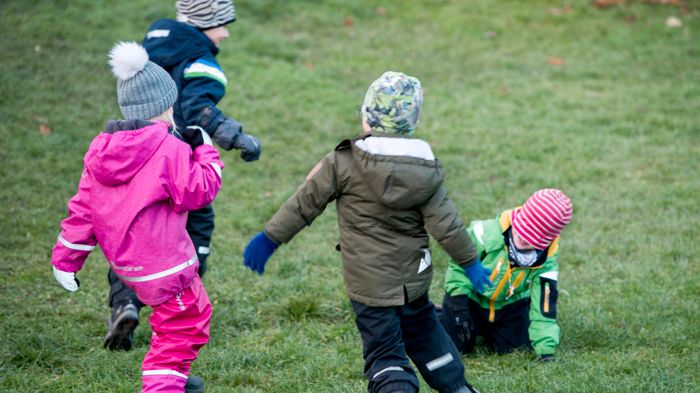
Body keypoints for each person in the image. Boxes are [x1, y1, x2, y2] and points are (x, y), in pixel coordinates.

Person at [241, 71, 488, 393]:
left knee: (385, 352)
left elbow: (304, 203)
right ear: (412, 121)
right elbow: (448, 225)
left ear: (366, 118)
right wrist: (471, 264)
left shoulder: (344, 161)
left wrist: (269, 238)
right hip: (413, 279)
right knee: (426, 333)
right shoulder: (426, 169)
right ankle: (457, 388)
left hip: (369, 284)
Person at [51, 42, 223, 392]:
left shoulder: (101, 151)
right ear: (163, 107)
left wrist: (66, 260)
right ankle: (164, 382)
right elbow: (200, 190)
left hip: (129, 266)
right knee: (185, 327)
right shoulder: (169, 148)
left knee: (193, 313)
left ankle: (173, 376)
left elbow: (82, 209)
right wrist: (205, 151)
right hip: (166, 263)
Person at [104, 0, 261, 351]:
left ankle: (124, 303)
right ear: (203, 24)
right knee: (196, 226)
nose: (226, 32)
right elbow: (197, 110)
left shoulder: (149, 51)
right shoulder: (200, 60)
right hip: (179, 163)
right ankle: (178, 309)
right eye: (222, 24)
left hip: (136, 157)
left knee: (133, 232)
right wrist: (237, 137)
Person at [437, 189, 572, 362]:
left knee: (516, 345)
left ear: (545, 242)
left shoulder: (546, 263)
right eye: (521, 232)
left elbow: (544, 308)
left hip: (509, 305)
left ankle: (493, 330)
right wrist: (458, 305)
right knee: (457, 344)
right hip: (471, 300)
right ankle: (436, 314)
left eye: (531, 239)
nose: (522, 239)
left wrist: (546, 350)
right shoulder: (483, 234)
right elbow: (459, 266)